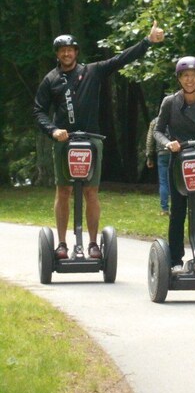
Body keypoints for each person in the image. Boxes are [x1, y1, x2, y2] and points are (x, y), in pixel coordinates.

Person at [33, 22, 165, 260]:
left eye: (70, 49)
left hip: (91, 141)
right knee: (63, 191)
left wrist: (147, 41)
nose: (66, 53)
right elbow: (38, 111)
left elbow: (120, 60)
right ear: (57, 54)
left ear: (76, 52)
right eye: (62, 50)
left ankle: (93, 244)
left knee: (91, 192)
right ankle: (62, 244)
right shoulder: (51, 79)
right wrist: (53, 130)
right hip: (64, 141)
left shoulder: (92, 71)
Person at [153, 56, 195, 274]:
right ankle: (175, 261)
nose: (189, 80)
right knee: (178, 212)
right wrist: (168, 143)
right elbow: (158, 130)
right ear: (179, 79)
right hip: (178, 162)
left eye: (193, 75)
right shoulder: (170, 102)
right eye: (185, 76)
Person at [145, 115, 171, 216]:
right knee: (174, 181)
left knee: (163, 182)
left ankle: (164, 209)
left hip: (161, 153)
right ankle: (176, 208)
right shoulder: (175, 118)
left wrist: (149, 156)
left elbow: (149, 141)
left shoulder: (155, 121)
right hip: (174, 152)